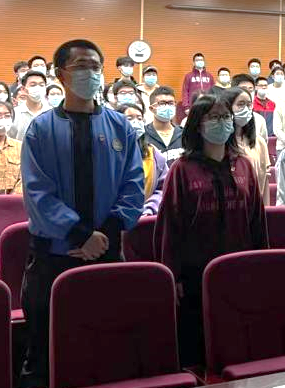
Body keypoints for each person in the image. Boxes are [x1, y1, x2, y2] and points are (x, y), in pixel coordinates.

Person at [19, 38, 144, 388]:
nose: (90, 73)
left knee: (108, 340)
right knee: (46, 345)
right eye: (81, 66)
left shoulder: (120, 126)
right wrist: (80, 235)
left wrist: (104, 236)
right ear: (61, 74)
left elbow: (134, 185)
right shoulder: (41, 129)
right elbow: (37, 193)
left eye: (95, 66)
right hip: (54, 257)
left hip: (108, 252)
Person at [157, 92, 267, 365]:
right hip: (195, 273)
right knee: (198, 348)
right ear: (198, 125)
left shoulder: (243, 164)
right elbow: (170, 226)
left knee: (238, 341)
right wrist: (173, 275)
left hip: (240, 267)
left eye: (226, 116)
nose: (222, 122)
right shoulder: (182, 169)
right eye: (214, 117)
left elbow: (256, 219)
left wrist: (261, 263)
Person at [115, 102, 167, 216]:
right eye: (129, 118)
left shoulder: (153, 154)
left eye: (139, 118)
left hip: (147, 216)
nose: (136, 122)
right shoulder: (108, 151)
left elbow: (163, 188)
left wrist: (150, 207)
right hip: (114, 216)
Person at [225, 86, 270, 199]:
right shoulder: (221, 142)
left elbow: (264, 181)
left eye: (249, 105)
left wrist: (265, 208)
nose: (246, 109)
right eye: (240, 104)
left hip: (254, 203)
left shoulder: (259, 142)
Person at [9, 70, 50, 140]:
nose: (38, 88)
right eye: (33, 85)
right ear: (23, 89)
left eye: (41, 85)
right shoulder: (15, 113)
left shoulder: (52, 113)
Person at [180, 53, 214, 122]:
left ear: (204, 61)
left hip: (208, 106)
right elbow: (185, 91)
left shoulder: (209, 76)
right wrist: (186, 107)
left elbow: (213, 91)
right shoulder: (188, 76)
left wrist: (214, 104)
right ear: (194, 62)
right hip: (193, 106)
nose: (200, 61)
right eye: (197, 60)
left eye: (201, 60)